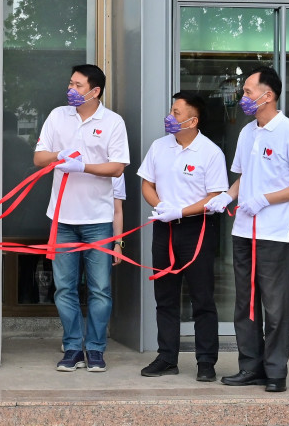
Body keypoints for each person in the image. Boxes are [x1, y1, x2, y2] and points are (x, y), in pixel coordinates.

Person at [205, 67, 289, 393]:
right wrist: (228, 195)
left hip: (275, 234)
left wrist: (264, 199)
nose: (244, 97)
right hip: (243, 231)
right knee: (246, 304)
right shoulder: (247, 133)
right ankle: (249, 367)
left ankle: (275, 371)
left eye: (249, 92)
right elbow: (243, 176)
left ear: (268, 95)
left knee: (275, 306)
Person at [34, 64, 129, 372]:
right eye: (70, 84)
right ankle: (73, 346)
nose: (70, 89)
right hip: (61, 218)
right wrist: (58, 156)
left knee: (100, 288)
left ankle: (96, 349)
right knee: (65, 288)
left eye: (77, 85)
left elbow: (117, 167)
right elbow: (39, 158)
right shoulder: (57, 116)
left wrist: (83, 167)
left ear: (95, 91)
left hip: (98, 219)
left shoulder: (113, 122)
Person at [136, 93, 228, 382]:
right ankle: (167, 357)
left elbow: (216, 197)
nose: (170, 117)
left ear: (193, 120)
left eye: (176, 113)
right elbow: (147, 184)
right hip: (164, 226)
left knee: (201, 297)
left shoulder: (210, 152)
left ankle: (206, 362)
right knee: (165, 295)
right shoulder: (159, 147)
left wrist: (182, 210)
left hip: (197, 228)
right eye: (171, 110)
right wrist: (160, 206)